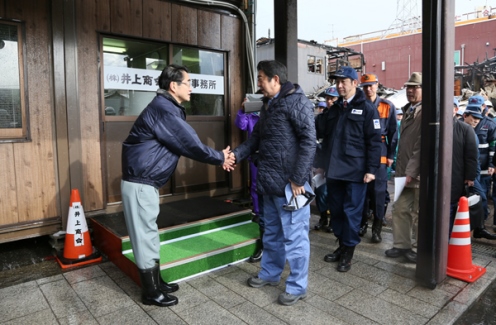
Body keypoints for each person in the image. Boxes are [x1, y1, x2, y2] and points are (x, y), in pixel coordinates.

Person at [121, 64, 235, 307]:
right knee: (145, 237)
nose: (192, 88)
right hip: (140, 183)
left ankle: (156, 282)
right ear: (174, 86)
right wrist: (220, 157)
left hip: (144, 182)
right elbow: (189, 143)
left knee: (148, 234)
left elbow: (185, 141)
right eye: (188, 83)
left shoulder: (165, 107)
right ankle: (151, 292)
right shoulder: (164, 110)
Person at [231, 60, 316, 306]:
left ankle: (298, 286)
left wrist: (299, 178)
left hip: (292, 186)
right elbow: (255, 139)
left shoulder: (297, 101)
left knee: (296, 238)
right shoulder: (268, 105)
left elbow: (309, 141)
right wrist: (235, 156)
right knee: (272, 234)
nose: (258, 83)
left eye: (261, 78)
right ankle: (270, 273)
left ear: (275, 79)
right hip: (270, 183)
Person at [316, 66, 382, 272]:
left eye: (344, 81)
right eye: (337, 82)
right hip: (334, 171)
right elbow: (324, 137)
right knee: (335, 211)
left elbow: (374, 141)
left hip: (356, 172)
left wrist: (371, 169)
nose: (339, 85)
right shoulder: (334, 109)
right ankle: (342, 244)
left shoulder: (367, 108)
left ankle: (348, 252)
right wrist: (319, 164)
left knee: (351, 213)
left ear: (355, 83)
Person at [385, 72, 422, 264]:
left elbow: (422, 146)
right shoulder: (409, 110)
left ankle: (417, 249)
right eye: (408, 87)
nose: (410, 90)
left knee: (417, 213)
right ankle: (401, 245)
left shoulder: (426, 112)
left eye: (415, 87)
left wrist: (411, 172)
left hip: (416, 174)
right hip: (403, 172)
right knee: (399, 208)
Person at [357, 74, 397, 243]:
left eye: (371, 85)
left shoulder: (387, 106)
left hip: (380, 151)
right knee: (362, 193)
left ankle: (377, 228)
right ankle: (363, 224)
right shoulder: (358, 105)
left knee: (379, 193)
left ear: (377, 85)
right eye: (365, 86)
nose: (368, 89)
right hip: (361, 152)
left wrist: (390, 156)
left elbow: (394, 133)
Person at [462, 97, 496, 239]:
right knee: (470, 200)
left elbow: (492, 145)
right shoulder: (460, 127)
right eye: (473, 116)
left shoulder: (489, 124)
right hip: (467, 173)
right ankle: (470, 227)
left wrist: (491, 165)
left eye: (477, 116)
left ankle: (478, 227)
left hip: (482, 171)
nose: (475, 120)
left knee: (481, 199)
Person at [235, 100, 264, 262]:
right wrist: (243, 109)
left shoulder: (271, 113)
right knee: (254, 185)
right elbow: (240, 125)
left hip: (269, 156)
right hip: (254, 155)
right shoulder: (251, 115)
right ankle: (257, 211)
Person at [450, 98, 478, 234]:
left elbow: (471, 156)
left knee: (451, 212)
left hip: (456, 178)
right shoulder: (434, 126)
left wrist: (469, 177)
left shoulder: (465, 129)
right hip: (436, 181)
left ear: (456, 110)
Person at [313, 86, 339, 232]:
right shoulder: (321, 118)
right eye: (328, 98)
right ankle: (323, 218)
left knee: (334, 194)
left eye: (332, 99)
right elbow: (315, 142)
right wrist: (317, 164)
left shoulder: (342, 117)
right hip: (323, 160)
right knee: (321, 191)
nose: (329, 101)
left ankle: (333, 221)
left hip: (338, 162)